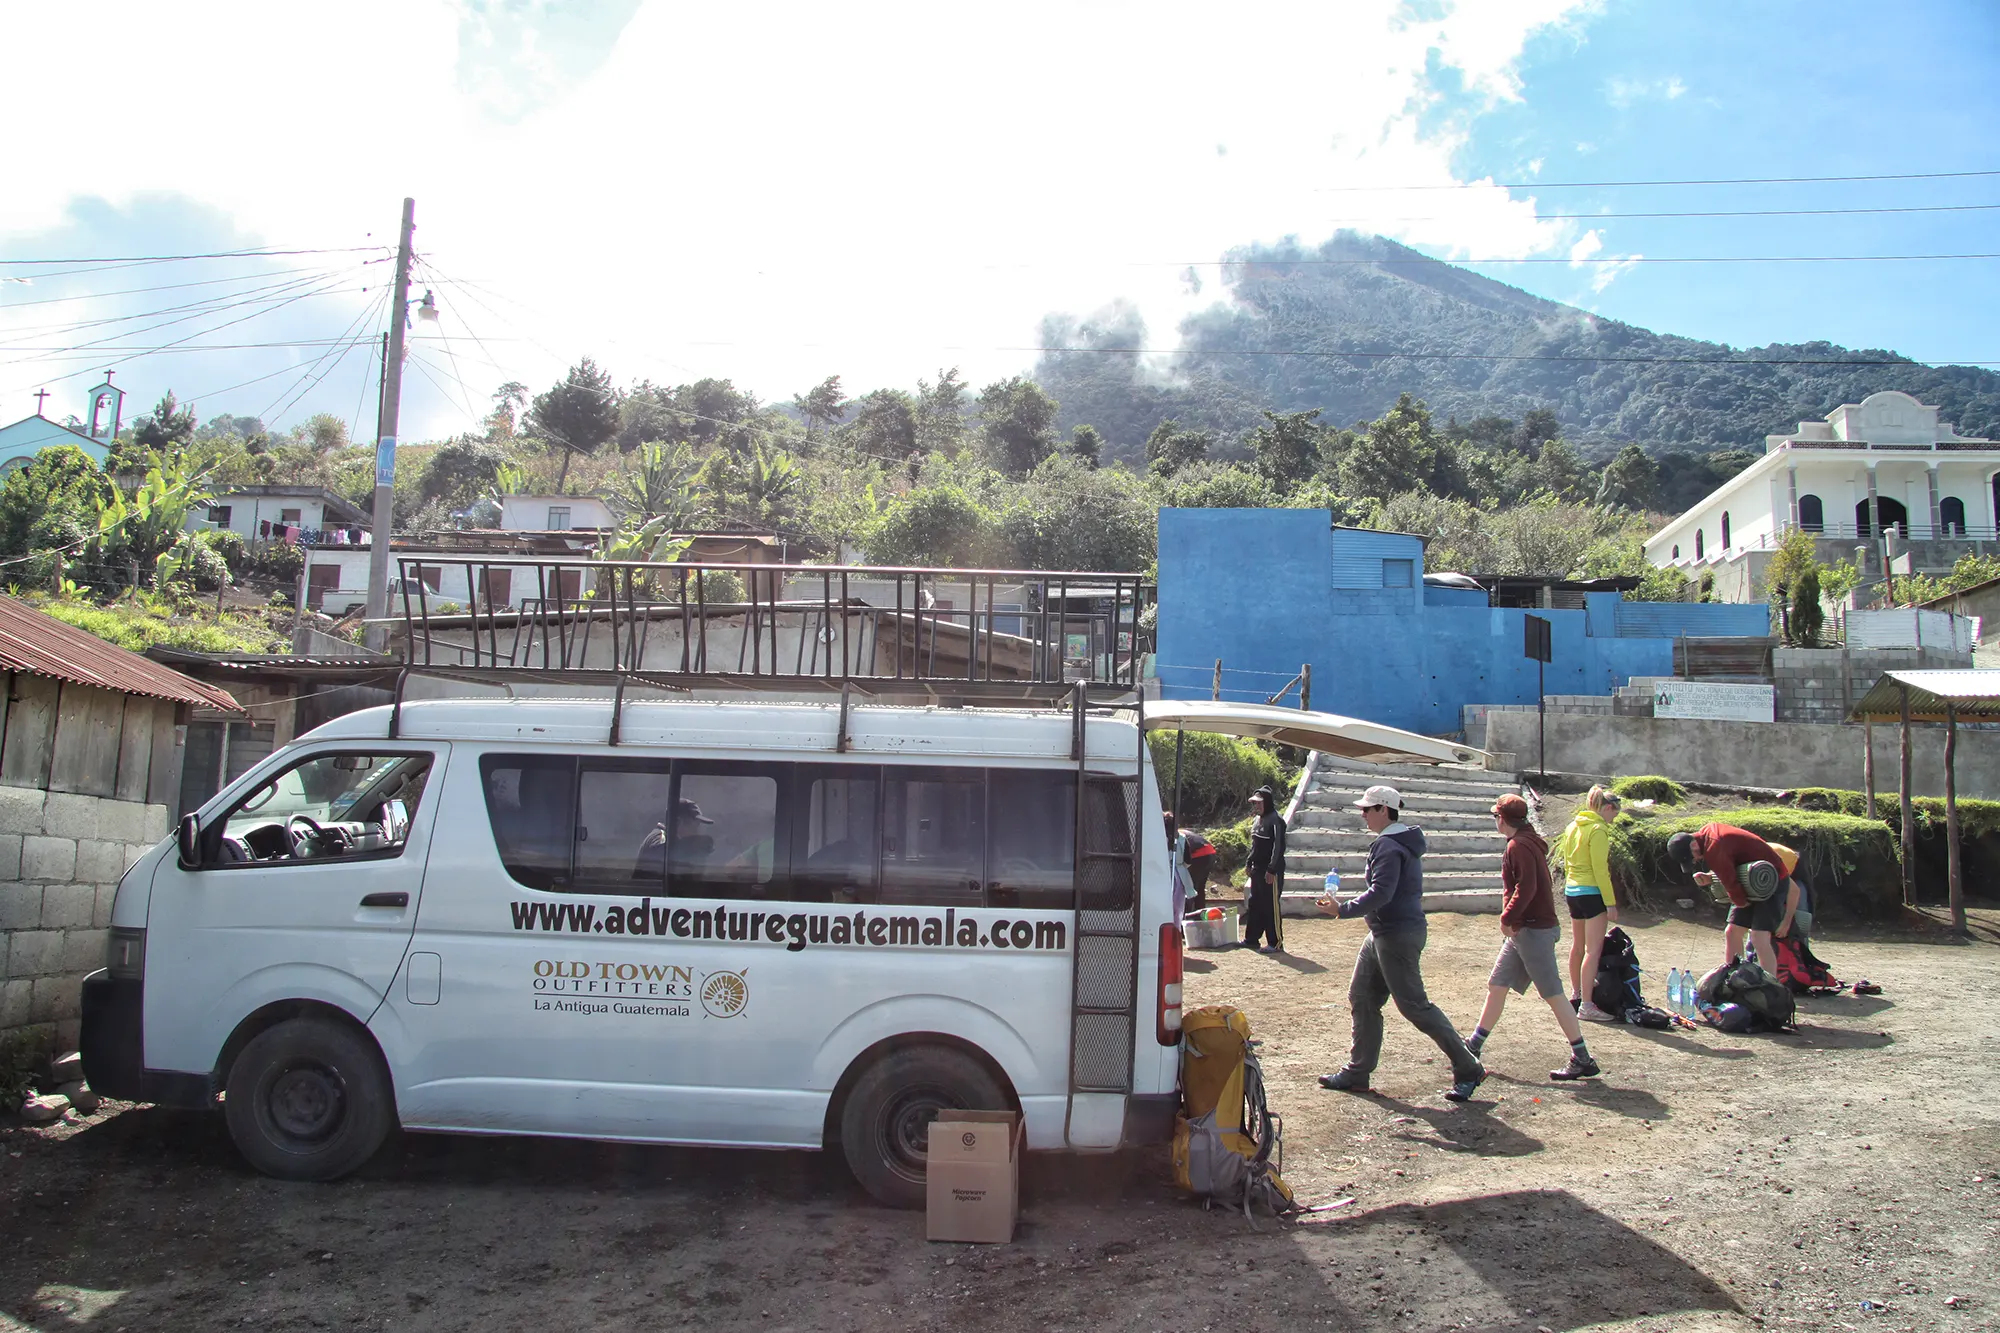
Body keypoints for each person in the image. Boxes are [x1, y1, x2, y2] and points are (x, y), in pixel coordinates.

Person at [1314, 784, 1486, 1103]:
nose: (1363, 815)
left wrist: (1343, 909)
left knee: (1415, 1007)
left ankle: (1468, 1066)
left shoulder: (1389, 846)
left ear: (1383, 810)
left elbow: (1382, 892)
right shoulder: (1396, 841)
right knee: (1363, 997)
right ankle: (1357, 1070)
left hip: (1395, 935)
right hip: (1386, 932)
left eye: (1367, 809)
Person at [1463, 795, 1600, 1081]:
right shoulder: (1527, 841)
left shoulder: (1518, 845)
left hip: (1532, 930)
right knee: (1497, 984)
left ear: (1503, 818)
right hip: (1525, 930)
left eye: (1495, 816)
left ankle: (1582, 1056)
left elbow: (1527, 887)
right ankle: (1473, 1045)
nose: (1495, 821)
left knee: (1553, 993)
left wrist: (1507, 918)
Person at [1667, 822, 1784, 968]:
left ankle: (1770, 987)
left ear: (1694, 846)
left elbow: (1730, 881)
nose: (1696, 860)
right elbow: (1729, 866)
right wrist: (1711, 877)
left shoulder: (1715, 847)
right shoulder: (1708, 834)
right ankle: (1734, 976)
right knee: (1732, 933)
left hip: (1771, 880)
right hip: (1750, 882)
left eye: (1692, 857)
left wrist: (1742, 904)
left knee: (1759, 938)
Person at [1555, 786, 1622, 1022]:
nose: (1614, 819)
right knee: (1593, 950)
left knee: (1578, 946)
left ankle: (1576, 994)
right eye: (1614, 814)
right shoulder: (1598, 830)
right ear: (1607, 808)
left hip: (1572, 891)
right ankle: (1587, 1004)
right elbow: (1600, 870)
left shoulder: (1573, 826)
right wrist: (1610, 902)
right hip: (1592, 892)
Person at [1240, 785, 1287, 953]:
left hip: (1270, 872)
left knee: (1270, 906)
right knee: (1255, 903)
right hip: (1257, 870)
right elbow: (1255, 846)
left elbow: (1278, 847)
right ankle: (1251, 939)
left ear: (1267, 802)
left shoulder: (1276, 820)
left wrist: (1272, 869)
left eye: (1259, 803)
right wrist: (1248, 863)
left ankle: (1275, 943)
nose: (1257, 806)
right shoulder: (1257, 820)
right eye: (1255, 804)